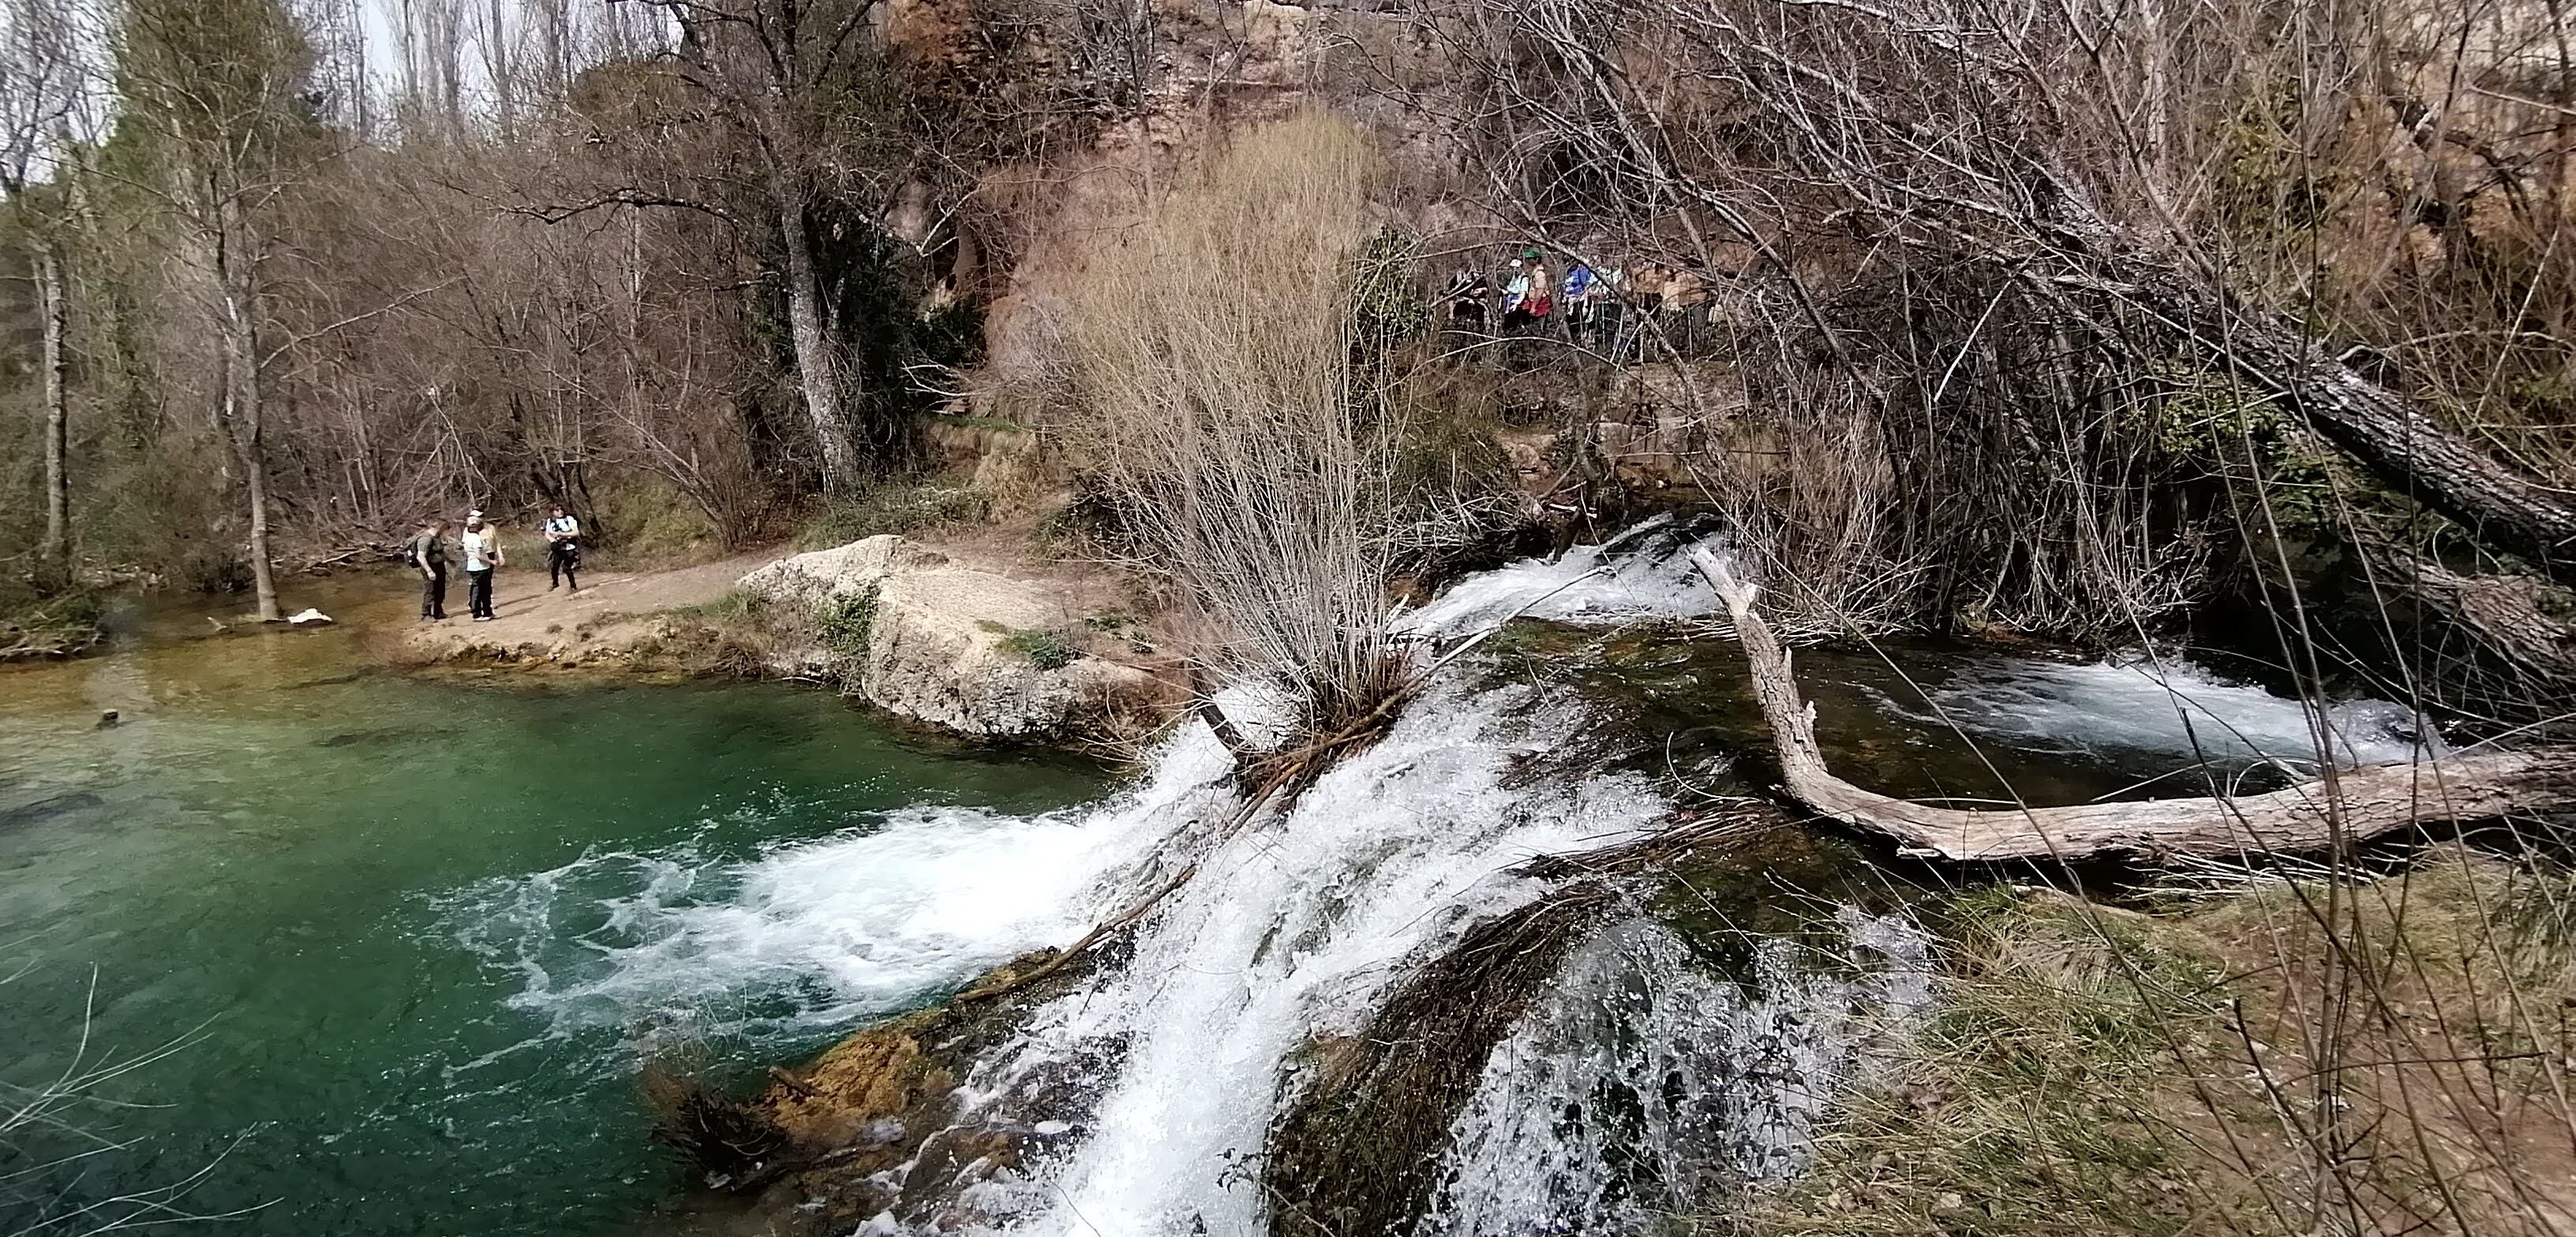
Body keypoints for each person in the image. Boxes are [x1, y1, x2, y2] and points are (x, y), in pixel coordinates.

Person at [460, 510, 504, 622]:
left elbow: (495, 542)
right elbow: (474, 552)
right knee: (478, 588)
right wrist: (491, 561)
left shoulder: (489, 528)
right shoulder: (473, 537)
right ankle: (476, 611)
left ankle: (487, 611)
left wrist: (498, 556)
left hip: (485, 558)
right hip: (479, 561)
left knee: (486, 586)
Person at [409, 517, 449, 621]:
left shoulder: (436, 537)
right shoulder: (426, 539)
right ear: (437, 526)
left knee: (440, 590)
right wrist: (429, 571)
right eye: (444, 527)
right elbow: (421, 557)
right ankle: (426, 614)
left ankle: (438, 612)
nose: (445, 530)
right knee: (430, 590)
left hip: (439, 566)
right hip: (430, 567)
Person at [542, 504, 582, 592]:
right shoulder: (551, 521)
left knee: (566, 567)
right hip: (558, 548)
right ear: (553, 512)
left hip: (570, 547)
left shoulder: (569, 519)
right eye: (557, 510)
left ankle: (573, 586)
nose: (560, 512)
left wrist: (562, 535)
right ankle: (555, 583)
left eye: (561, 509)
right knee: (554, 567)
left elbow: (576, 533)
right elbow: (547, 534)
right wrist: (553, 541)